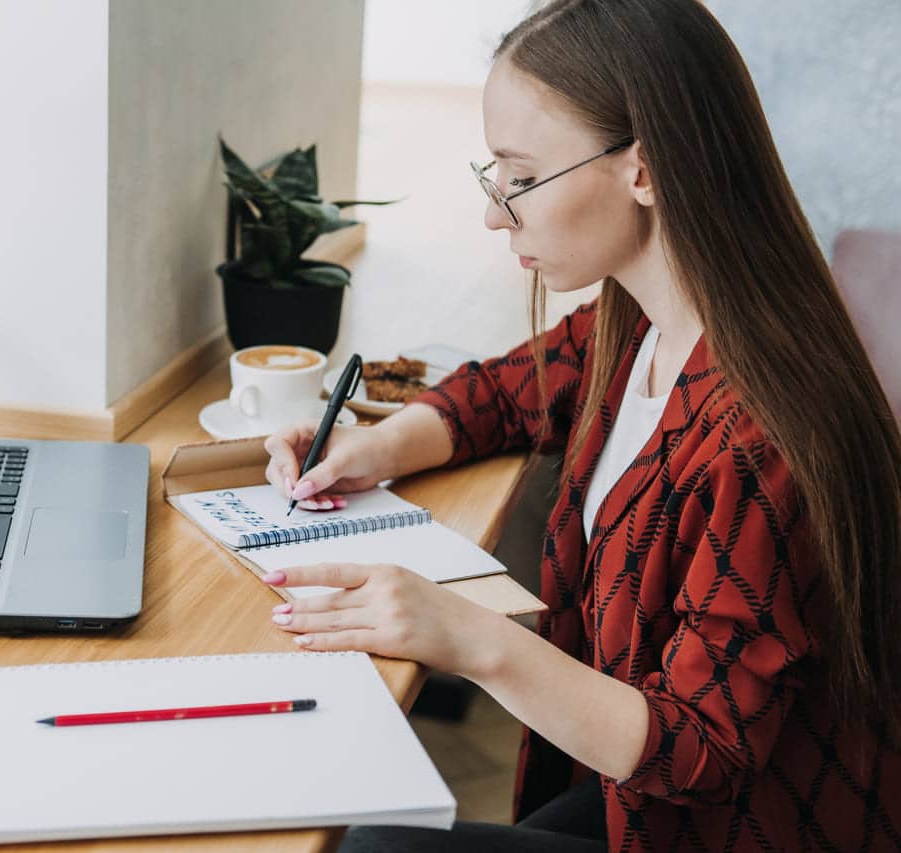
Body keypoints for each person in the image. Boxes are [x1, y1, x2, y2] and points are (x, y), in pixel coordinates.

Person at [260, 1, 901, 850]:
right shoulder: (636, 319)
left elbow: (704, 751)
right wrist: (372, 446)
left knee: (372, 841)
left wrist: (469, 638)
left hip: (732, 824)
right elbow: (504, 392)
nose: (496, 213)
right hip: (638, 794)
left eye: (521, 177)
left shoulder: (761, 437)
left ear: (644, 170)